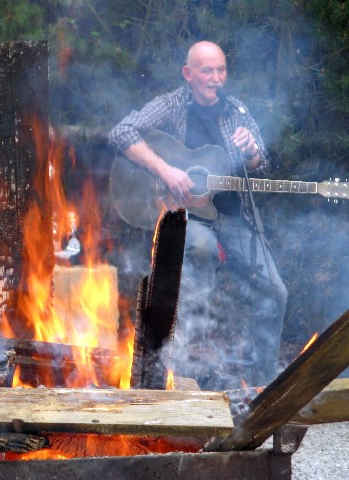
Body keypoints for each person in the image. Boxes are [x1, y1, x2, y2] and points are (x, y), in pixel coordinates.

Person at [108, 41, 288, 389]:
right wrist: (166, 171)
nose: (216, 78)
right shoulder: (172, 104)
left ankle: (263, 385)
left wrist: (251, 151)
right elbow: (122, 132)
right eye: (207, 70)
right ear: (188, 74)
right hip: (185, 217)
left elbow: (261, 166)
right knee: (200, 250)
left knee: (275, 290)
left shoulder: (237, 111)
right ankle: (186, 374)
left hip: (234, 218)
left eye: (221, 70)